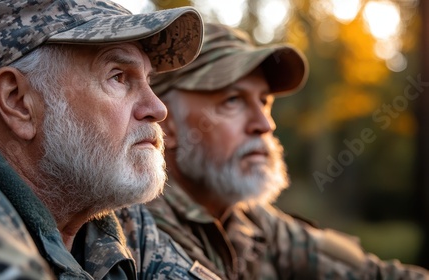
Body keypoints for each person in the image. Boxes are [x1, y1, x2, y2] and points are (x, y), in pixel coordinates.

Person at [0, 0, 206, 279]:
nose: (158, 109)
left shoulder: (112, 213)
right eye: (118, 77)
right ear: (19, 102)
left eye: (149, 80)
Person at [147, 23, 429, 279]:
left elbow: (372, 274)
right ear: (167, 126)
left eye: (264, 101)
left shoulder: (252, 219)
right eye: (233, 101)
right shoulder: (137, 229)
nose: (265, 123)